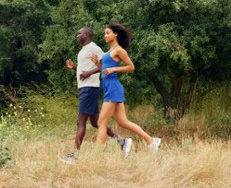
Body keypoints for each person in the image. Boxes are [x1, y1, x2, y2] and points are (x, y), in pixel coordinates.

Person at [60, 27, 132, 164]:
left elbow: (103, 67)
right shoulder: (83, 51)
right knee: (94, 122)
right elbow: (85, 69)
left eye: (79, 33)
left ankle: (74, 156)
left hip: (89, 88)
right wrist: (75, 68)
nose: (77, 36)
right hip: (86, 88)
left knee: (81, 121)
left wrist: (89, 73)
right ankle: (122, 142)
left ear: (86, 34)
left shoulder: (94, 48)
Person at [91, 23, 161, 152]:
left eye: (107, 33)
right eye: (104, 33)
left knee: (101, 122)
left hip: (113, 87)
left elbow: (131, 66)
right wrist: (96, 63)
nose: (105, 36)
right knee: (123, 122)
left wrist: (114, 68)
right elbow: (105, 71)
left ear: (115, 34)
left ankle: (96, 154)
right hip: (108, 86)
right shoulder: (109, 52)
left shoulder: (119, 50)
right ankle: (151, 141)